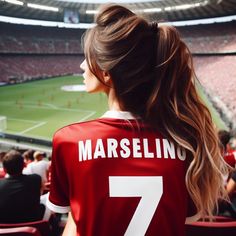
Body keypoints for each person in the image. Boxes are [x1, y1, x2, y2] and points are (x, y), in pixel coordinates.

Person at [47, 4, 228, 236]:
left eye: (87, 58)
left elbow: (75, 220)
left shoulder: (69, 141)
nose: (82, 65)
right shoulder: (184, 141)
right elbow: (183, 220)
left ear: (106, 73)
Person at [0, 150, 44, 223]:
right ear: (24, 165)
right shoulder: (36, 179)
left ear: (4, 169)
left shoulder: (35, 179)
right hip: (29, 227)